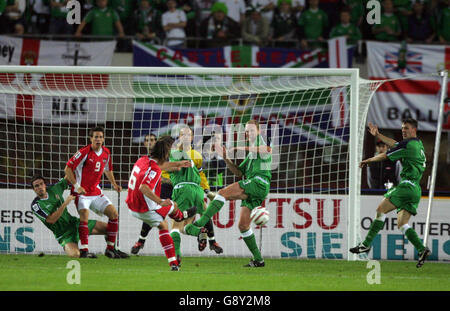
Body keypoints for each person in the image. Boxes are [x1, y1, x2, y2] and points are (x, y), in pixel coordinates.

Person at [184, 120, 272, 267]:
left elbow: (267, 150)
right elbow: (238, 172)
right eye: (246, 131)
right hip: (254, 186)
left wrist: (237, 147)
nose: (248, 133)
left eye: (251, 130)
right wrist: (225, 157)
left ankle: (200, 223)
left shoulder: (260, 143)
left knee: (222, 193)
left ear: (259, 131)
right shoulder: (250, 155)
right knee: (243, 226)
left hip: (259, 182)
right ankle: (258, 259)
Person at [350, 119, 431, 268]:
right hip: (415, 189)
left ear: (414, 129)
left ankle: (366, 244)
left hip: (406, 186)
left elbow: (386, 155)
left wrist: (369, 160)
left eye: (406, 128)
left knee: (380, 210)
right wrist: (379, 134)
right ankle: (421, 248)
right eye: (402, 128)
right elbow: (395, 144)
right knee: (402, 224)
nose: (403, 130)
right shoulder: (418, 144)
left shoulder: (408, 145)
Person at [125, 136, 199, 271]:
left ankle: (181, 215)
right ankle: (173, 263)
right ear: (165, 153)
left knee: (171, 207)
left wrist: (178, 164)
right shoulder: (154, 170)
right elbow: (144, 187)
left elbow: (159, 165)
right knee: (165, 223)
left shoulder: (143, 160)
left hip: (131, 205)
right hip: (144, 209)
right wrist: (159, 201)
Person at [64, 126, 128, 259]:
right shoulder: (84, 152)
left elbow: (107, 170)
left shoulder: (106, 152)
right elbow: (67, 168)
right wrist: (77, 186)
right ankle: (85, 250)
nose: (98, 139)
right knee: (84, 216)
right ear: (91, 139)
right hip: (81, 193)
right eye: (95, 137)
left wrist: (114, 184)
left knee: (113, 214)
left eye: (100, 137)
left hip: (96, 192)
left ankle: (110, 249)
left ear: (103, 139)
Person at [166, 127, 224, 265]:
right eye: (183, 134)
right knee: (191, 223)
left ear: (192, 138)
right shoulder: (193, 155)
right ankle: (203, 234)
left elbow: (198, 173)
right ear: (179, 137)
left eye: (188, 135)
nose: (186, 137)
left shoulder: (175, 153)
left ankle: (177, 256)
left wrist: (207, 189)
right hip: (196, 191)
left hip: (183, 190)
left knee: (175, 227)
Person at [30, 174, 110, 258]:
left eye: (41, 184)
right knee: (75, 254)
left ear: (45, 184)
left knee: (109, 229)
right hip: (63, 234)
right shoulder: (36, 205)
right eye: (36, 186)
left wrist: (77, 164)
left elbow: (68, 176)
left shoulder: (54, 189)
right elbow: (51, 220)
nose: (40, 187)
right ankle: (83, 254)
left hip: (74, 223)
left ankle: (111, 250)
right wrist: (65, 203)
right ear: (34, 189)